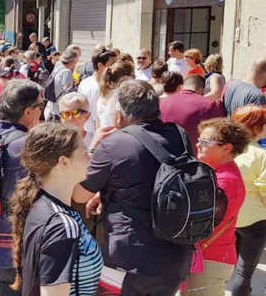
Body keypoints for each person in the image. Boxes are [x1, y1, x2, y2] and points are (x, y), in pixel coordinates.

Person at [73, 80, 193, 295]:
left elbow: (80, 195)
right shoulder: (180, 136)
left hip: (129, 258)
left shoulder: (114, 144)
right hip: (175, 254)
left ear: (119, 115)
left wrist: (91, 150)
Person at [9, 122, 102, 296]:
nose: (90, 158)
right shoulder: (63, 226)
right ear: (63, 162)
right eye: (84, 154)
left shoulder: (38, 202)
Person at [0, 79, 42, 295]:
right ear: (28, 111)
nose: (42, 110)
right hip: (11, 254)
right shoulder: (27, 144)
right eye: (41, 106)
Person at [177, 118, 248, 295]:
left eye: (205, 142)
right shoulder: (217, 173)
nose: (198, 145)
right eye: (199, 139)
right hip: (209, 256)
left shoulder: (226, 181)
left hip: (211, 259)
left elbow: (205, 221)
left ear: (227, 148)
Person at [229, 105, 266, 295]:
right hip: (255, 222)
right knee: (244, 272)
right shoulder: (261, 156)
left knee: (231, 267)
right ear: (256, 127)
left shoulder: (226, 149)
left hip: (230, 217)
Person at [160, 74, 223, 147]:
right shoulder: (209, 104)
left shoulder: (161, 102)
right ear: (202, 90)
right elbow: (218, 130)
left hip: (166, 150)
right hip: (195, 152)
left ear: (182, 87)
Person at [77, 50, 116, 146]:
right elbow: (96, 118)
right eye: (112, 64)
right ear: (100, 65)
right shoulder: (96, 88)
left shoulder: (85, 81)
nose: (115, 68)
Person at [95, 61, 135, 130]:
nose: (134, 79)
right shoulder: (122, 100)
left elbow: (97, 126)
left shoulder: (101, 98)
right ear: (124, 77)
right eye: (133, 76)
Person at [48, 48, 79, 120]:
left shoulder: (58, 66)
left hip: (54, 107)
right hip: (60, 110)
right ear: (73, 60)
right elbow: (67, 92)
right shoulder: (66, 72)